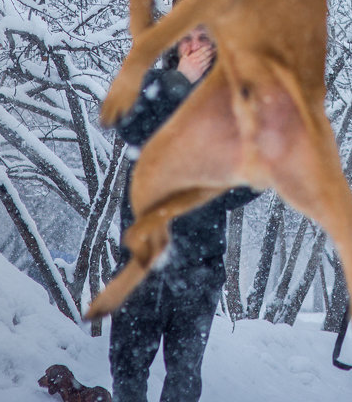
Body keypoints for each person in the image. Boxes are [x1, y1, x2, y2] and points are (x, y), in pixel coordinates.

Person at [109, 26, 258, 402]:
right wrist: (179, 82)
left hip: (199, 269)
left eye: (204, 38)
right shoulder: (152, 83)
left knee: (184, 377)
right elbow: (129, 126)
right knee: (127, 370)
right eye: (187, 37)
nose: (194, 46)